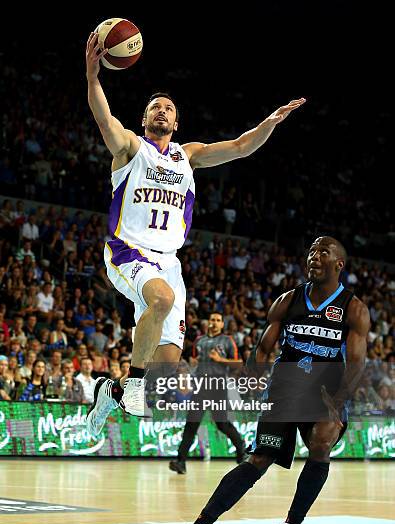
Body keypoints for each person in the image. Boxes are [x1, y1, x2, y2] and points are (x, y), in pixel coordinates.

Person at [84, 30, 306, 436]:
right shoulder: (131, 149)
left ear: (177, 120)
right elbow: (104, 118)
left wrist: (270, 123)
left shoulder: (189, 155)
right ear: (145, 118)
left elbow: (240, 147)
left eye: (168, 108)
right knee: (162, 300)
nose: (162, 111)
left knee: (165, 366)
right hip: (128, 251)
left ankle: (111, 390)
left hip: (168, 263)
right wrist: (93, 77)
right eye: (155, 107)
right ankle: (131, 385)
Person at [169, 236, 370, 524]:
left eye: (323, 252)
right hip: (284, 388)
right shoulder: (288, 300)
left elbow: (358, 362)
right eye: (311, 251)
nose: (314, 257)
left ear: (339, 264)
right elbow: (263, 349)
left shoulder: (353, 308)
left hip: (324, 390)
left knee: (323, 440)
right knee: (259, 459)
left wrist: (340, 398)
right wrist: (250, 379)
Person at [169, 312, 246, 474]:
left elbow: (238, 363)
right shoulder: (199, 341)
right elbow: (194, 361)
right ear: (208, 322)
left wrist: (220, 360)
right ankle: (180, 461)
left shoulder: (227, 340)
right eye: (212, 320)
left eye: (219, 320)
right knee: (191, 423)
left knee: (222, 423)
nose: (215, 323)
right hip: (201, 386)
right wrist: (194, 365)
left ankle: (241, 451)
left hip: (218, 386)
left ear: (222, 325)